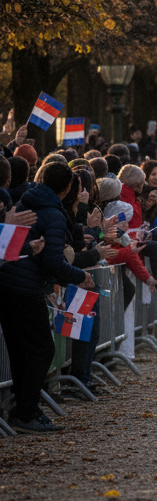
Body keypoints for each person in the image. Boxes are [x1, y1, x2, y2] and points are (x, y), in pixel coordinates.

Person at [1, 161, 97, 432]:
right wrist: (81, 276)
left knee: (22, 351)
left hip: (8, 281)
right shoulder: (53, 214)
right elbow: (54, 262)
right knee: (42, 349)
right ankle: (25, 413)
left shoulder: (25, 201)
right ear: (68, 188)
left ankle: (24, 409)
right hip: (23, 286)